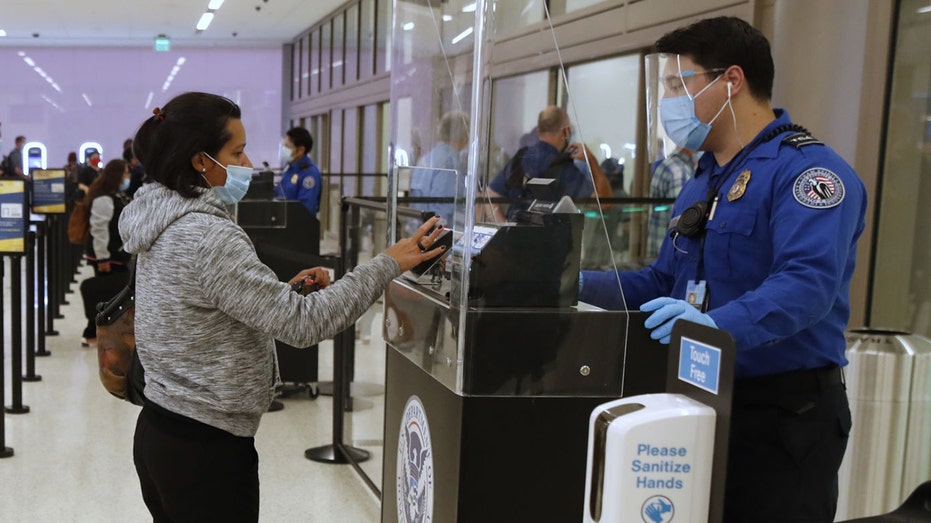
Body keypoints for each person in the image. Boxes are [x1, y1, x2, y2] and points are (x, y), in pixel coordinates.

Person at [579, 17, 867, 522]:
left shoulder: (810, 175)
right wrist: (570, 284)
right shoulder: (703, 182)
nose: (668, 100)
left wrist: (715, 327)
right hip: (703, 400)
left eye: (678, 83)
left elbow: (807, 284)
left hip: (783, 417)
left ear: (730, 81)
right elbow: (663, 283)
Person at [119, 91, 446, 522]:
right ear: (201, 161)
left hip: (163, 430)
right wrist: (388, 264)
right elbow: (303, 326)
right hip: (205, 448)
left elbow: (203, 304)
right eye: (237, 151)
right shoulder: (208, 237)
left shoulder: (159, 217)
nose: (249, 164)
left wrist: (280, 292)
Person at [484, 106, 612, 222]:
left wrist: (504, 226)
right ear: (566, 131)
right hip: (549, 243)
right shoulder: (564, 167)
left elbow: (490, 195)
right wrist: (591, 160)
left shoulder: (521, 158)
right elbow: (605, 203)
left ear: (539, 130)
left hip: (515, 242)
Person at [79, 159, 131, 345]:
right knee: (107, 292)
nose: (128, 177)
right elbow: (99, 229)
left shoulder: (113, 195)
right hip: (107, 254)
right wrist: (103, 258)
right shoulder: (104, 198)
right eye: (126, 173)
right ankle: (92, 331)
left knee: (107, 292)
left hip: (112, 252)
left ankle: (96, 330)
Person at [410, 110, 469, 225]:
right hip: (437, 237)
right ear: (465, 136)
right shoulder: (449, 163)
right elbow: (442, 212)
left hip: (419, 229)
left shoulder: (427, 158)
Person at [646, 147, 696, 258]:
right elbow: (682, 223)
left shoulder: (668, 165)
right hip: (669, 253)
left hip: (657, 247)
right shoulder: (680, 172)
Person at [274, 126, 322, 217]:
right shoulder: (289, 168)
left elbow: (305, 208)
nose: (283, 149)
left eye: (287, 146)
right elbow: (280, 193)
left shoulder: (309, 173)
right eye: (283, 145)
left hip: (297, 225)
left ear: (301, 150)